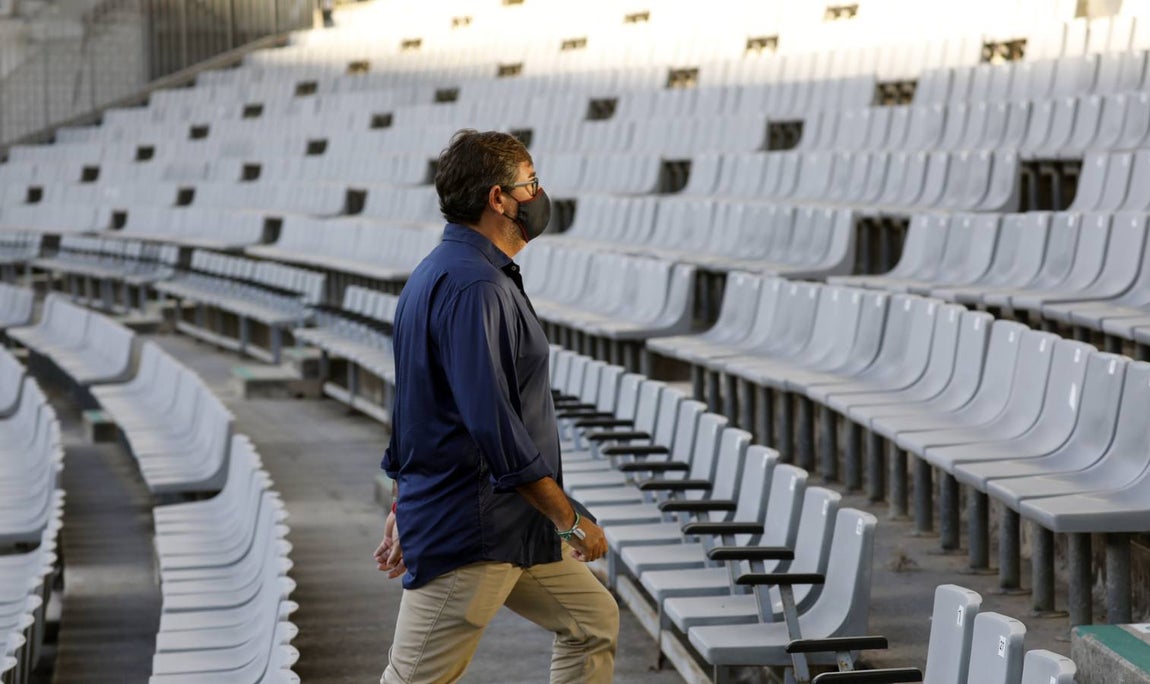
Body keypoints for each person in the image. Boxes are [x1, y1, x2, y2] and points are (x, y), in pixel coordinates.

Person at [375, 129, 619, 684]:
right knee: (414, 678)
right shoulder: (475, 287)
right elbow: (493, 424)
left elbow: (416, 410)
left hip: (510, 525)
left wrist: (399, 504)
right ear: (498, 199)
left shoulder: (436, 274)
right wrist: (569, 517)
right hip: (475, 530)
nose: (538, 194)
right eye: (530, 183)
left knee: (592, 621)